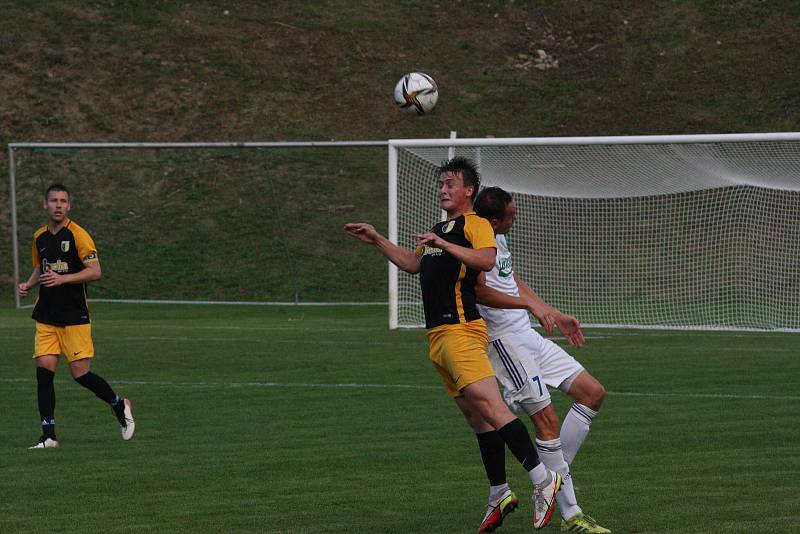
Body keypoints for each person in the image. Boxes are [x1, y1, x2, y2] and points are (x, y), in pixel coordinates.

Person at [345, 158, 561, 530]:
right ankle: (499, 493)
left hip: (462, 331)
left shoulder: (475, 225)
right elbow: (414, 265)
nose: (443, 189)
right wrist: (378, 239)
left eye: (450, 184)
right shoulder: (439, 228)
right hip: (438, 337)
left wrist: (444, 243)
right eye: (441, 184)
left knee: (494, 410)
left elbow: (486, 261)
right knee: (477, 419)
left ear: (468, 191)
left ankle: (544, 479)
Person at [473, 186, 610, 533]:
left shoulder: (498, 238)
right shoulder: (475, 239)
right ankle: (572, 516)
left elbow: (511, 279)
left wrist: (549, 310)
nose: (516, 216)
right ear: (493, 219)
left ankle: (553, 475)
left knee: (592, 392)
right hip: (505, 342)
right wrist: (529, 307)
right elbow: (478, 291)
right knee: (546, 421)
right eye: (512, 213)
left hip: (528, 337)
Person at [18, 183, 135, 449]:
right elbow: (40, 267)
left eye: (63, 201)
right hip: (46, 315)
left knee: (81, 374)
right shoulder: (39, 237)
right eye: (53, 201)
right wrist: (28, 284)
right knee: (44, 373)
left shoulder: (79, 235)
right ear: (45, 205)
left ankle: (119, 405)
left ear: (69, 206)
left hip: (74, 317)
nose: (58, 205)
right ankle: (48, 436)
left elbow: (95, 271)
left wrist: (64, 279)